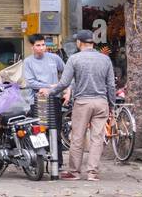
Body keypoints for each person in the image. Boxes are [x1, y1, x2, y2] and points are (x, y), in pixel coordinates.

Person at [48, 30, 116, 181]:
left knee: (77, 137)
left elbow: (64, 83)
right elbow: (111, 85)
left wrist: (51, 92)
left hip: (83, 102)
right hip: (101, 102)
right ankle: (92, 173)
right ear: (92, 43)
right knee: (97, 138)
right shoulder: (105, 59)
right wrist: (111, 104)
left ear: (79, 43)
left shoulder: (74, 59)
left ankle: (74, 172)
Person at [22, 34, 65, 115]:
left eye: (43, 45)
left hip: (55, 97)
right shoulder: (28, 62)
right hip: (39, 98)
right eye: (38, 45)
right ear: (32, 47)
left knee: (55, 124)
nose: (41, 48)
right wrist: (51, 86)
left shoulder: (54, 58)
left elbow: (67, 73)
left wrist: (66, 88)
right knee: (41, 125)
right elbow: (30, 83)